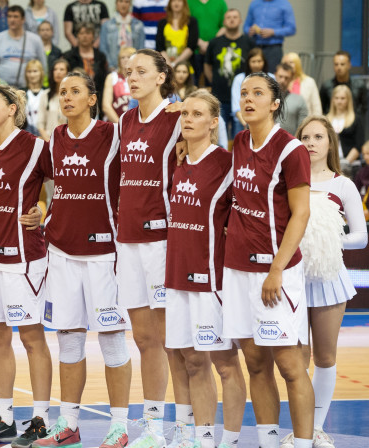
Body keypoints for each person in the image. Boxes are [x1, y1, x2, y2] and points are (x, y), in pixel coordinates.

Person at [33, 71, 134, 448]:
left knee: (112, 342)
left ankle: (119, 426)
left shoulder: (112, 135)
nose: (67, 98)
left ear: (93, 99)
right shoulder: (55, 138)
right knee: (69, 342)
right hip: (60, 252)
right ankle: (68, 425)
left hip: (104, 254)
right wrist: (40, 208)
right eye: (62, 92)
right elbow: (39, 182)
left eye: (75, 92)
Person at [223, 71, 313, 448]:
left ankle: (305, 443)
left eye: (258, 93)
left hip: (274, 273)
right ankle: (270, 441)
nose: (248, 99)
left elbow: (302, 214)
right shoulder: (238, 142)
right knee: (255, 364)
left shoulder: (291, 150)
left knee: (290, 366)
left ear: (275, 104)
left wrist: (276, 268)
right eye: (244, 93)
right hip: (237, 271)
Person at [0, 84, 53, 448]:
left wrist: (44, 212)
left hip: (22, 257)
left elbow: (58, 184)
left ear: (13, 108)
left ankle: (42, 419)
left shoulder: (34, 146)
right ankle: (2, 417)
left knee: (32, 338)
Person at [115, 49, 192, 447]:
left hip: (161, 241)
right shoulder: (126, 120)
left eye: (142, 71)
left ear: (163, 77)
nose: (133, 77)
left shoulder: (179, 117)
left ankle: (186, 426)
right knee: (144, 339)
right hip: (126, 242)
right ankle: (152, 426)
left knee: (170, 339)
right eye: (129, 72)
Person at [277, 116, 368, 448]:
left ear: (330, 143)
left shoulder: (342, 185)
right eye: (305, 137)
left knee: (325, 358)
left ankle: (316, 428)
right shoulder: (286, 181)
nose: (311, 142)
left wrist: (324, 239)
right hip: (294, 281)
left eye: (318, 137)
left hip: (329, 279)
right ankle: (301, 430)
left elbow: (360, 237)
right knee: (296, 359)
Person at [168, 90, 247, 448]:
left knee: (225, 363)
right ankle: (202, 438)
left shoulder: (227, 164)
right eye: (184, 113)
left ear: (214, 122)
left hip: (211, 280)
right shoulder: (178, 161)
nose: (187, 119)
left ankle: (229, 440)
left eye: (197, 114)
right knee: (191, 362)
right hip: (176, 277)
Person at [204, 8, 253, 139]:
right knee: (220, 137)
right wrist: (214, 81)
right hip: (219, 97)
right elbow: (207, 65)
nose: (232, 20)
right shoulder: (215, 42)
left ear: (240, 21)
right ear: (224, 22)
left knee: (241, 136)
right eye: (228, 17)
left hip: (242, 98)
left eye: (235, 17)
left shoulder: (249, 42)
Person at [0, 6, 47, 89]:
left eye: (16, 16)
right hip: (1, 88)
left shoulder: (35, 40)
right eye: (9, 16)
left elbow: (42, 65)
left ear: (23, 19)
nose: (12, 20)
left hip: (27, 89)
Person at [63, 23, 108, 111]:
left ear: (93, 36)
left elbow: (104, 79)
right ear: (77, 36)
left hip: (99, 99)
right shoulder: (68, 57)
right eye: (81, 33)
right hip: (74, 99)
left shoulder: (100, 56)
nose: (85, 36)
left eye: (88, 33)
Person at [244, 0, 295, 74]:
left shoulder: (284, 4)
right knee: (252, 75)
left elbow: (291, 29)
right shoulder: (254, 3)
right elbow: (245, 27)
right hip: (255, 47)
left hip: (273, 49)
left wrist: (273, 32)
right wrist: (250, 30)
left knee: (270, 78)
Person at [230, 47, 270, 136]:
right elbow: (236, 105)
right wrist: (246, 123)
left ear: (264, 62)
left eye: (259, 61)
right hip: (242, 123)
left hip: (265, 123)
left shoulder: (271, 78)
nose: (256, 64)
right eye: (253, 61)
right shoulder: (239, 79)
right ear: (248, 62)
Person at [320, 51, 369, 119]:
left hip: (353, 124)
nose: (339, 67)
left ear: (349, 65)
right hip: (331, 124)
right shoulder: (326, 86)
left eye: (342, 64)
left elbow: (364, 108)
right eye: (336, 64)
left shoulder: (359, 86)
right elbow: (322, 108)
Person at [186, 0, 226, 84]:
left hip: (215, 50)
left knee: (214, 83)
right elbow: (184, 25)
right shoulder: (189, 2)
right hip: (194, 50)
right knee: (193, 83)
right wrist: (199, 42)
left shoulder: (220, 2)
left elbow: (224, 26)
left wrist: (210, 44)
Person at [99, 0, 145, 71]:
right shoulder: (107, 25)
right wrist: (110, 66)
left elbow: (141, 48)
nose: (123, 4)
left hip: (133, 67)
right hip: (113, 67)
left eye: (126, 2)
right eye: (121, 1)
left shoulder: (138, 25)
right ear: (116, 4)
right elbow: (103, 48)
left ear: (130, 4)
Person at [326, 85, 364, 167]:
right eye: (336, 98)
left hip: (351, 165)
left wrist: (346, 162)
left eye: (342, 98)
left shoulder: (356, 119)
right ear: (332, 100)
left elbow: (359, 145)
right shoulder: (326, 119)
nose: (339, 101)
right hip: (329, 164)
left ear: (348, 100)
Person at [156, 0, 199, 70]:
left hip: (186, 67)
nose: (176, 3)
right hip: (166, 66)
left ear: (184, 3)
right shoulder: (162, 22)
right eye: (173, 1)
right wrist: (169, 65)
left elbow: (191, 46)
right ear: (170, 3)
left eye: (179, 1)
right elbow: (160, 46)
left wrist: (175, 64)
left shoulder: (192, 22)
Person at [35, 58, 68, 140]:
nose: (58, 72)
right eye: (55, 69)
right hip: (48, 139)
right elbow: (40, 123)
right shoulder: (45, 95)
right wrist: (48, 141)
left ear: (68, 73)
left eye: (61, 69)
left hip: (67, 141)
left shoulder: (72, 96)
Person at [281, 52, 322, 117]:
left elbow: (316, 108)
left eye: (291, 62)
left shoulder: (309, 82)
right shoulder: (281, 83)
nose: (288, 65)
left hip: (306, 122)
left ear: (297, 64)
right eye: (286, 63)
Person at [274, 62, 308, 136]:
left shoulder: (299, 100)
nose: (283, 80)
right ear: (275, 75)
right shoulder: (264, 98)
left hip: (289, 143)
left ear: (291, 79)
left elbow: (302, 128)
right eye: (280, 76)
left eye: (286, 78)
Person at [102, 46, 135, 122]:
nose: (125, 60)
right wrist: (120, 125)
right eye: (122, 58)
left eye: (129, 57)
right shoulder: (112, 77)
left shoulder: (140, 79)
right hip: (115, 125)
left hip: (135, 126)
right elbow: (106, 106)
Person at [355, 140, 369, 222]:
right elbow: (355, 190)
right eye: (364, 154)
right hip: (364, 211)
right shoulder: (363, 171)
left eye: (368, 154)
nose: (365, 157)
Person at [24, 59, 46, 136]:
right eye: (29, 71)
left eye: (35, 71)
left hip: (46, 134)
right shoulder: (21, 92)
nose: (32, 75)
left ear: (41, 73)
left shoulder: (48, 92)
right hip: (26, 134)